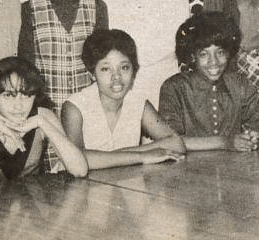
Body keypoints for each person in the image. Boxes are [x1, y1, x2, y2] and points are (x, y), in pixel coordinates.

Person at [18, 0, 108, 173]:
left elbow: (103, 64)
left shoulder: (97, 6)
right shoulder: (30, 9)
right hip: (49, 114)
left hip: (86, 111)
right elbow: (26, 67)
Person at [0, 56, 88, 192]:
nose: (18, 106)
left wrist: (41, 122)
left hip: (32, 206)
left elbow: (80, 170)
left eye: (26, 95)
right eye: (9, 95)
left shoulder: (43, 116)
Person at [61, 30, 186, 169]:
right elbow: (76, 160)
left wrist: (104, 158)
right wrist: (142, 156)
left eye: (124, 67)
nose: (117, 77)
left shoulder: (137, 102)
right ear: (92, 74)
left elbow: (176, 143)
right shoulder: (75, 107)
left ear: (134, 70)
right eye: (106, 69)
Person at [158, 11, 259, 152]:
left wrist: (256, 135)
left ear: (229, 53)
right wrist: (225, 142)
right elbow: (170, 141)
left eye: (220, 52)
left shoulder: (239, 84)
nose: (214, 62)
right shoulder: (174, 88)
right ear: (193, 55)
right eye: (204, 54)